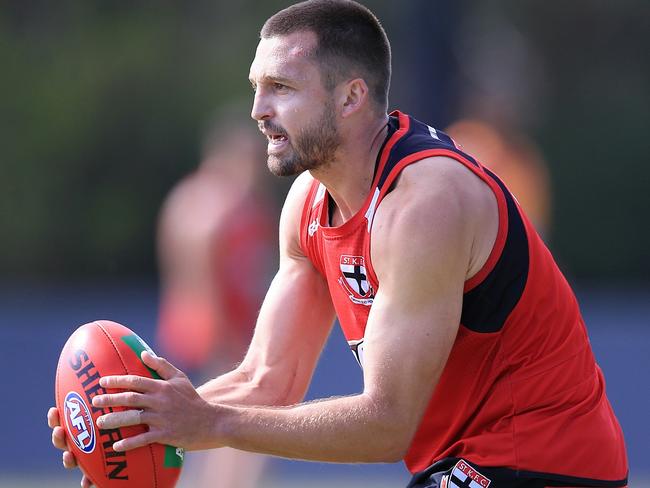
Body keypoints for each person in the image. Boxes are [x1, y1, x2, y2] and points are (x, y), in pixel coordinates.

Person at [48, 1, 628, 487]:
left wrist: (210, 424)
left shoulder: (423, 204)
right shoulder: (307, 203)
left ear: (351, 98)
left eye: (281, 88)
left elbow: (385, 423)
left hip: (549, 460)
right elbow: (267, 379)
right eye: (256, 88)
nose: (258, 110)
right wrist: (140, 423)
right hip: (470, 463)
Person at [156, 113, 277, 487]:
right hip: (219, 325)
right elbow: (214, 268)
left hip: (184, 320)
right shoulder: (231, 205)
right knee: (243, 418)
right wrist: (226, 330)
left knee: (199, 416)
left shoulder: (183, 197)